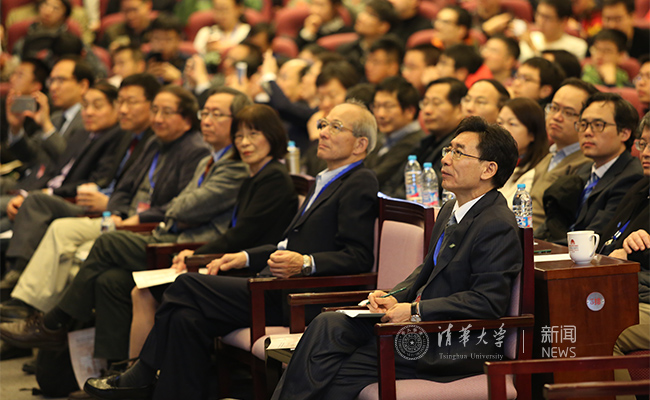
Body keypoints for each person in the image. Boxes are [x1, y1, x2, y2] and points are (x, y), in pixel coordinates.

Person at [82, 100, 379, 399]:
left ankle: (142, 373)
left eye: (336, 127)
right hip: (273, 283)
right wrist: (245, 256)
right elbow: (287, 245)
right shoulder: (324, 180)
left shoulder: (359, 180)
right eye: (323, 124)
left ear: (360, 144)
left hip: (298, 297)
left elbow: (359, 256)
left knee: (185, 285)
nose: (323, 132)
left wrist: (305, 263)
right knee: (186, 319)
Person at [270, 115, 521, 399]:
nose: (446, 159)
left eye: (459, 153)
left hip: (453, 342)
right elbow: (428, 270)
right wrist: (394, 296)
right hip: (422, 327)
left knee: (332, 369)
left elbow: (487, 301)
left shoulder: (496, 223)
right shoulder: (450, 209)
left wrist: (415, 311)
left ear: (489, 169)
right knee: (329, 324)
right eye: (448, 149)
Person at [130, 103, 299, 357]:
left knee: (158, 293)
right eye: (239, 136)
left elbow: (242, 235)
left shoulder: (273, 178)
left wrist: (198, 255)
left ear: (272, 136)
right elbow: (234, 233)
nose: (244, 143)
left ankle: (141, 368)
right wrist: (198, 254)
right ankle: (147, 371)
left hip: (256, 273)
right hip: (237, 266)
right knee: (170, 308)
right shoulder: (254, 177)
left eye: (253, 134)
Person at [535, 92, 643, 243]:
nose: (587, 132)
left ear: (624, 133)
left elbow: (594, 237)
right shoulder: (585, 170)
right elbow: (553, 223)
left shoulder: (631, 177)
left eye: (598, 125)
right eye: (583, 125)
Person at [602, 112, 649, 387]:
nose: (646, 152)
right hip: (633, 292)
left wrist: (631, 256)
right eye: (643, 143)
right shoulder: (641, 187)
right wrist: (621, 252)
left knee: (605, 332)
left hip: (642, 297)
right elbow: (608, 243)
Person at [381, 77, 467, 198]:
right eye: (425, 103)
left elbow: (432, 187)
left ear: (459, 109)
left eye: (436, 103)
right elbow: (394, 181)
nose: (427, 110)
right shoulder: (425, 142)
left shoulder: (460, 148)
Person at [530, 78, 597, 228]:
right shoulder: (550, 155)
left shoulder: (586, 164)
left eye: (568, 112)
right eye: (554, 108)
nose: (556, 117)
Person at [365, 76, 424, 185]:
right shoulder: (382, 136)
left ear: (409, 111)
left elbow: (376, 176)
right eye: (376, 106)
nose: (380, 114)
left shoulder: (416, 142)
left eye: (388, 106)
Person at [497, 97, 549, 207]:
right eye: (500, 123)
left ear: (532, 134)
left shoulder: (537, 172)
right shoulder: (494, 163)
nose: (503, 130)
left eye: (512, 124)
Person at [337, 0, 398, 77]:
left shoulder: (394, 52)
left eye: (370, 15)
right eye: (364, 11)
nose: (361, 17)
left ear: (383, 26)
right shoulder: (346, 50)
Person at [518, 0, 588, 61]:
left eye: (547, 17)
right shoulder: (530, 37)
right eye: (538, 14)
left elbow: (555, 70)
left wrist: (533, 48)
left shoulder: (577, 46)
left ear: (563, 21)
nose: (540, 21)